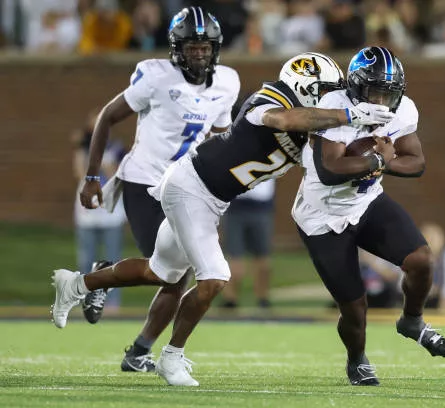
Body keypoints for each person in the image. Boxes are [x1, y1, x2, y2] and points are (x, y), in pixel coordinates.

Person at [52, 51, 395, 386]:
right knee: (215, 277)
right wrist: (349, 116)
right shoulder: (270, 100)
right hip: (192, 186)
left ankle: (77, 284)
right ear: (305, 85)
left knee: (159, 271)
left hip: (211, 197)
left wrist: (371, 147)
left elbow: (329, 162)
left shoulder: (314, 125)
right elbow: (284, 120)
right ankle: (171, 357)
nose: (331, 101)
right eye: (325, 92)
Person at [77, 7, 240, 373]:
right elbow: (107, 116)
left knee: (177, 274)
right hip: (145, 180)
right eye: (191, 47)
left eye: (205, 47)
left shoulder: (228, 82)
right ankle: (98, 279)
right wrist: (92, 176)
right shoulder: (155, 77)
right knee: (167, 271)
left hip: (188, 186)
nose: (199, 54)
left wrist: (217, 193)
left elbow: (218, 139)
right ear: (176, 49)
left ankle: (138, 352)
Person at [291, 46, 445, 387]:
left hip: (366, 203)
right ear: (355, 87)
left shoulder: (403, 110)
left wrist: (386, 162)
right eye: (375, 92)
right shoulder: (334, 107)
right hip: (322, 216)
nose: (381, 102)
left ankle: (412, 320)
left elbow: (416, 162)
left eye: (388, 93)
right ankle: (356, 360)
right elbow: (331, 170)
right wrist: (378, 161)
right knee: (355, 308)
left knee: (422, 260)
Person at [72, 109, 126, 312]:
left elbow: (117, 175)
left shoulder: (117, 148)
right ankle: (84, 299)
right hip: (87, 214)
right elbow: (79, 174)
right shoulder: (83, 149)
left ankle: (112, 302)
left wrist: (103, 164)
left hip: (110, 214)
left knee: (112, 260)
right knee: (86, 258)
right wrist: (80, 148)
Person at [220, 179, 276, 309]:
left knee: (260, 257)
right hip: (239, 206)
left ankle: (259, 298)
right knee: (237, 257)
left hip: (256, 207)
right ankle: (232, 299)